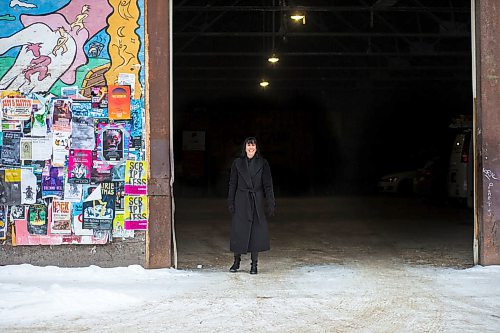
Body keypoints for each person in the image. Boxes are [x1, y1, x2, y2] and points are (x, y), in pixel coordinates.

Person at [227, 137, 276, 274]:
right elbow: (232, 184)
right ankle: (236, 262)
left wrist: (271, 203)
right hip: (241, 200)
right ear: (245, 147)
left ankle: (254, 264)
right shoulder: (237, 163)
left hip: (257, 200)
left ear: (256, 148)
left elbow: (268, 185)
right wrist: (230, 201)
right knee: (239, 231)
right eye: (249, 145)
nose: (251, 148)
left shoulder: (263, 163)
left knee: (256, 232)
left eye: (253, 145)